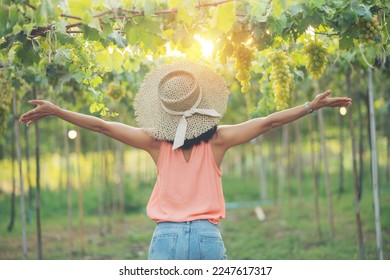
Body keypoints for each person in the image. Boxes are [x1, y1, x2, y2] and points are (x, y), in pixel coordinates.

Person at [19, 61, 352, 260]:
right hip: (208, 236)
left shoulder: (155, 143)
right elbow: (268, 122)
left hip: (166, 237)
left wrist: (58, 111)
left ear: (164, 113)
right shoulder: (219, 140)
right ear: (204, 107)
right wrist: (311, 106)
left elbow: (103, 127)